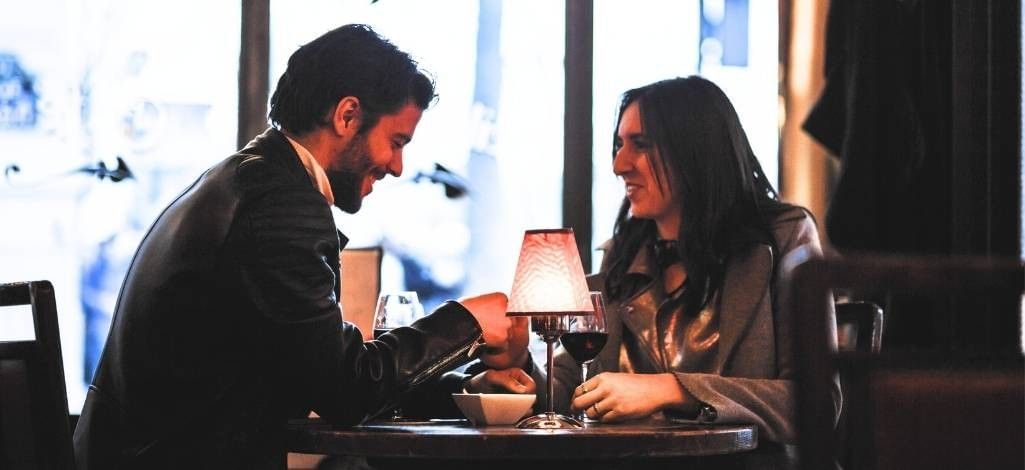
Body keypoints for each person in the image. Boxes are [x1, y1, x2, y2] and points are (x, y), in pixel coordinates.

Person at [73, 24, 518, 470]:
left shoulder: (245, 179)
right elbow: (345, 390)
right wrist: (469, 322)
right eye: (396, 142)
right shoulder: (278, 203)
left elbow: (316, 370)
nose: (397, 166)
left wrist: (465, 390)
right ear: (347, 116)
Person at [482, 76, 840, 460]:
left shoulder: (783, 237)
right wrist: (520, 368)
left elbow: (817, 403)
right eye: (619, 145)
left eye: (641, 145)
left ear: (695, 150)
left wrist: (671, 389)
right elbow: (572, 389)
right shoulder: (624, 254)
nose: (619, 165)